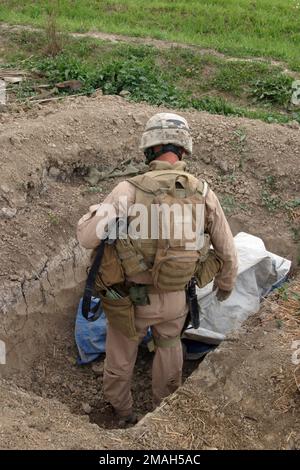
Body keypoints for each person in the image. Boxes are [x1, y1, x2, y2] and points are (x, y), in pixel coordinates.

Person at [77, 112, 238, 426]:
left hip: (130, 301)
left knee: (122, 355)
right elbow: (227, 251)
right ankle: (162, 416)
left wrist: (90, 217)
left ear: (148, 147)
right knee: (168, 346)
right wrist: (226, 285)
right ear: (184, 150)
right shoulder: (203, 192)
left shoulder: (128, 190)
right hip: (176, 297)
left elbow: (87, 238)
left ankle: (121, 412)